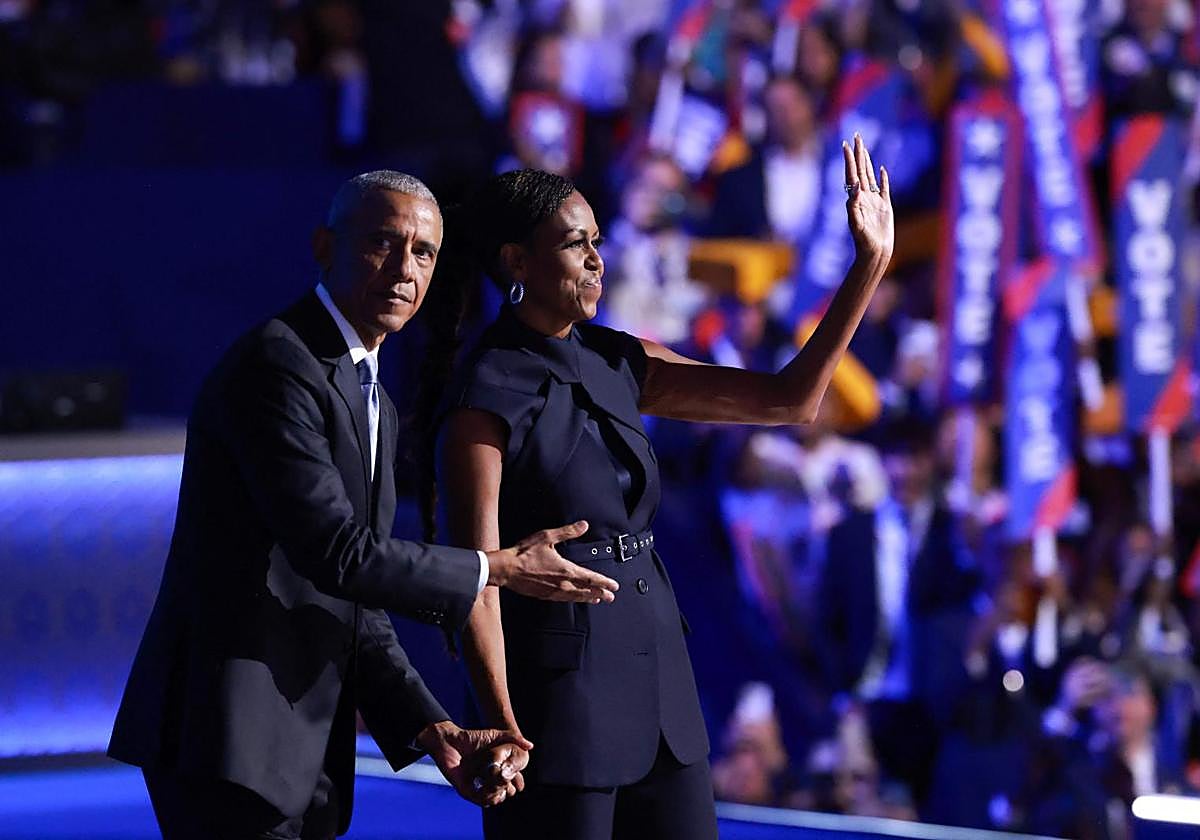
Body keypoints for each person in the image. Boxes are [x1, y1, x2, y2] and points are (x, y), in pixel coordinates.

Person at [107, 170, 621, 840]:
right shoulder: (277, 365)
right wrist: (494, 568)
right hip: (225, 733)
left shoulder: (372, 393)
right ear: (325, 247)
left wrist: (431, 727)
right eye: (384, 242)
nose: (405, 268)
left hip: (293, 743)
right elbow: (336, 553)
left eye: (424, 253)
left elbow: (359, 606)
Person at [425, 134, 894, 839]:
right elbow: (475, 581)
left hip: (661, 697)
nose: (596, 259)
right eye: (574, 244)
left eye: (598, 241)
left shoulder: (618, 357)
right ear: (517, 263)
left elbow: (789, 400)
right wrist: (502, 725)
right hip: (555, 711)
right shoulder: (483, 395)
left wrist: (869, 266)